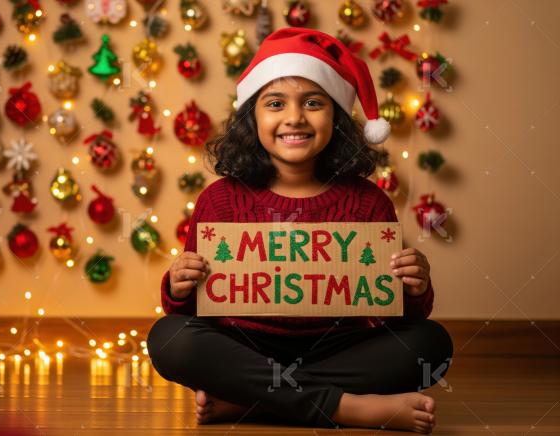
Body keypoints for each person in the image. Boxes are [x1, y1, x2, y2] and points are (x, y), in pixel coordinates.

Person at [147, 28, 453, 434]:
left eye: (313, 103)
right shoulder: (219, 200)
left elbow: (393, 315)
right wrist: (179, 285)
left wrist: (414, 288)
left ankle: (252, 402)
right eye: (275, 103)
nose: (294, 118)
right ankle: (345, 408)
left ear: (336, 118)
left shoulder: (368, 203)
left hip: (337, 348)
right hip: (246, 348)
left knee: (431, 345)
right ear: (252, 117)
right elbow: (187, 312)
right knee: (169, 338)